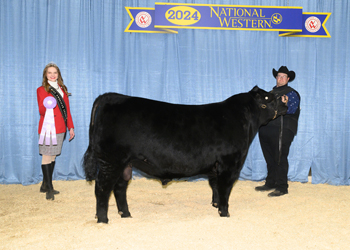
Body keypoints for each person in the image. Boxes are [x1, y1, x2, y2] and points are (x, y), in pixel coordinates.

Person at [255, 66, 300, 197]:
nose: (280, 78)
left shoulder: (291, 93)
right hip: (266, 128)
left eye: (283, 76)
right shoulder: (269, 94)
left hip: (282, 128)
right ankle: (271, 182)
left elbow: (292, 109)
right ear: (276, 77)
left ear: (288, 79)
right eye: (279, 76)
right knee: (269, 157)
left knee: (280, 157)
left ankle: (282, 186)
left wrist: (284, 104)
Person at [37, 62, 75, 200]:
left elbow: (67, 111)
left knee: (53, 156)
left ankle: (45, 184)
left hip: (60, 128)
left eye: (55, 72)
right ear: (45, 75)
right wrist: (47, 104)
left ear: (58, 75)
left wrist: (70, 127)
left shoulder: (63, 90)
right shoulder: (41, 90)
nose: (52, 75)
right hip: (47, 128)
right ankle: (49, 188)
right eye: (49, 72)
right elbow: (41, 111)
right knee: (47, 156)